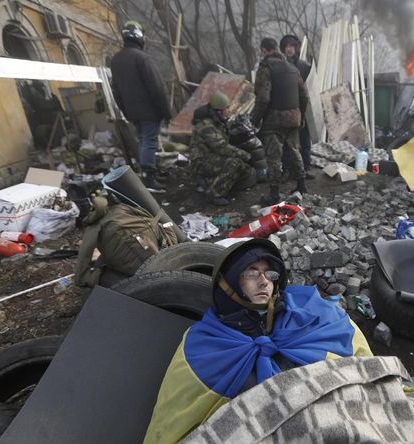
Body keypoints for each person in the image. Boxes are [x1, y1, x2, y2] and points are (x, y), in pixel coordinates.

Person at [143, 238, 372, 443]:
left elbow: (364, 368)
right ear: (228, 281)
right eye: (251, 272)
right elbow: (173, 420)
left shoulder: (312, 312)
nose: (264, 282)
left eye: (270, 274)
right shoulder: (202, 344)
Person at [111, 20, 172, 193]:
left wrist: (126, 111)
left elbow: (116, 90)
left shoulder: (116, 60)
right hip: (149, 110)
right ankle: (148, 178)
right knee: (150, 142)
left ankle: (148, 173)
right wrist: (166, 112)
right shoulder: (142, 58)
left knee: (143, 141)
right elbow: (156, 87)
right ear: (139, 37)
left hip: (132, 112)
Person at [250, 37, 310, 206]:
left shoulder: (265, 68)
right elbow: (304, 95)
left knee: (274, 156)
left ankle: (274, 194)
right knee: (294, 150)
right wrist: (301, 115)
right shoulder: (292, 68)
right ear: (277, 48)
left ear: (263, 50)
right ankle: (301, 185)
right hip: (293, 118)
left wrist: (255, 119)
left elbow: (263, 98)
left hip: (274, 120)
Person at [191, 91, 254, 206]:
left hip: (211, 156)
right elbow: (222, 147)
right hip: (201, 161)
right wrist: (245, 155)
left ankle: (207, 182)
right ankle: (214, 194)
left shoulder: (216, 121)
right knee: (235, 164)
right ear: (219, 111)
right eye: (227, 108)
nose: (229, 110)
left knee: (244, 169)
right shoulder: (206, 126)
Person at [279, 34, 315, 180]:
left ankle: (307, 167)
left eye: (292, 46)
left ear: (296, 48)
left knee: (305, 140)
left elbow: (308, 90)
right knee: (286, 141)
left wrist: (304, 110)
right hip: (285, 109)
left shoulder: (304, 66)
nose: (289, 49)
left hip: (301, 108)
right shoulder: (279, 66)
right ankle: (286, 169)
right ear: (283, 48)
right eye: (287, 46)